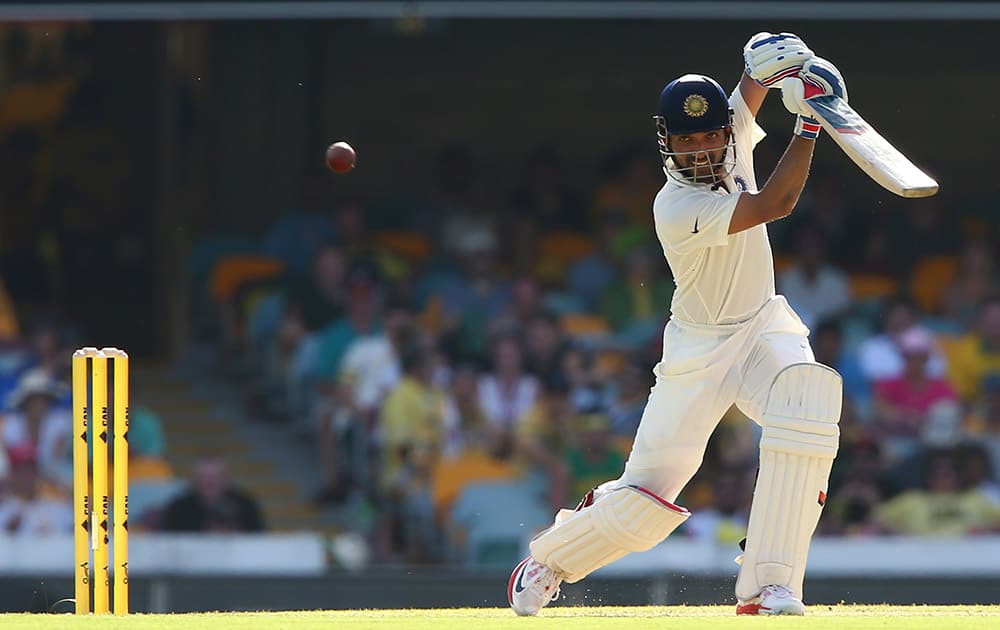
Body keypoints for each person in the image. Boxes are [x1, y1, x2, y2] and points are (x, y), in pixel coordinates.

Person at [508, 32, 845, 617]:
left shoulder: (731, 137)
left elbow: (747, 91)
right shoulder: (676, 206)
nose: (702, 149)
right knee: (645, 504)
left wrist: (773, 68)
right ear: (668, 144)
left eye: (711, 135)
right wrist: (811, 123)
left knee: (808, 405)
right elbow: (776, 204)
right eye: (687, 140)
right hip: (699, 350)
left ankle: (770, 585)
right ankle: (550, 559)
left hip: (764, 326)